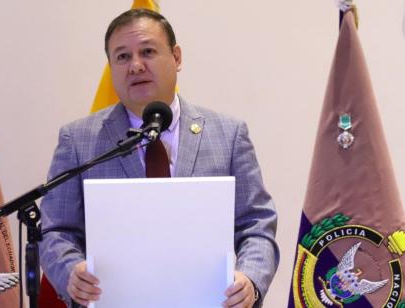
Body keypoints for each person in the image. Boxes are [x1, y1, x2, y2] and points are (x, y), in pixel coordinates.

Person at [39, 9, 279, 308]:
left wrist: (250, 280)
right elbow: (56, 230)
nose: (135, 66)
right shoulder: (79, 140)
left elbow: (256, 223)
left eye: (148, 52)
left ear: (176, 57)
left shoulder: (228, 135)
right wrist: (69, 272)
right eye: (122, 57)